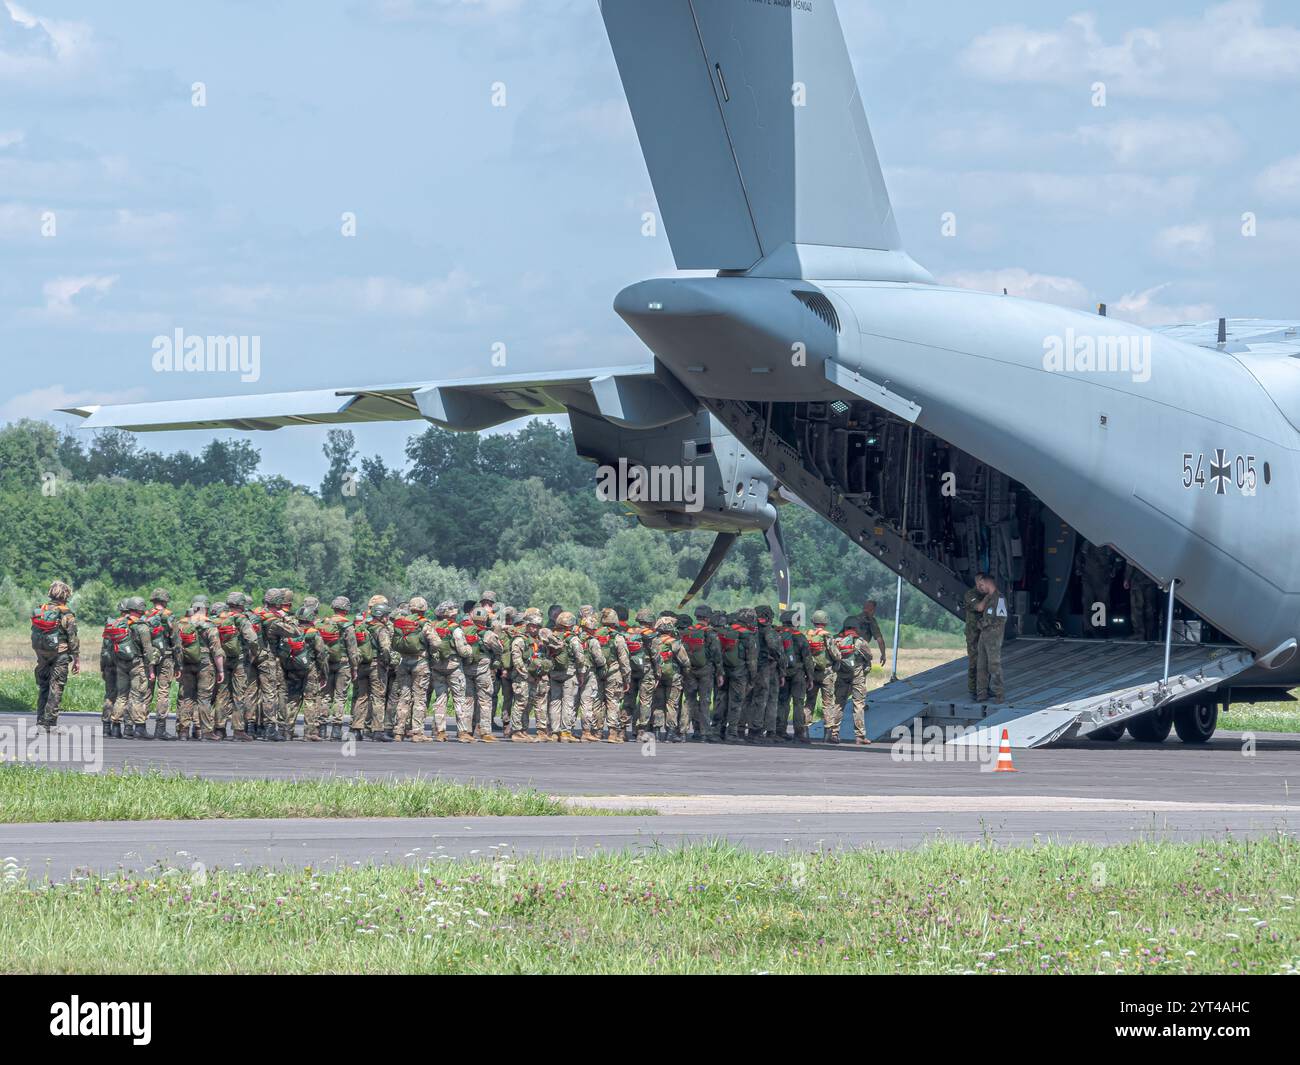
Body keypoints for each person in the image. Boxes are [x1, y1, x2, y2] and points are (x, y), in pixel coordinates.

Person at [31, 580, 79, 731]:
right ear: (65, 595)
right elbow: (73, 638)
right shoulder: (67, 614)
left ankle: (40, 721)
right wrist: (76, 659)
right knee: (56, 687)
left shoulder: (41, 610)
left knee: (44, 686)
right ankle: (50, 724)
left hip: (42, 654)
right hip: (60, 654)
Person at [177, 602, 225, 741]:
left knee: (187, 697)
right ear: (205, 610)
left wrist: (178, 666)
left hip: (187, 664)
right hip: (205, 665)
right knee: (204, 698)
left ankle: (183, 732)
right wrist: (221, 670)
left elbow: (177, 647)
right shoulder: (209, 626)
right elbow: (217, 650)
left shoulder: (183, 625)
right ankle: (206, 732)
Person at [107, 597, 153, 739]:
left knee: (121, 696)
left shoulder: (119, 623)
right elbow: (148, 650)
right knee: (136, 695)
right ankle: (139, 727)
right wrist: (151, 668)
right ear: (141, 608)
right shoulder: (142, 626)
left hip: (121, 664)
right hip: (136, 664)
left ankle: (115, 727)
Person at [427, 600, 471, 741]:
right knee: (459, 699)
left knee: (440, 700)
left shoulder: (432, 627)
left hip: (436, 667)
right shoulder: (455, 629)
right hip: (454, 668)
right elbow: (463, 651)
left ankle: (440, 732)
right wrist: (469, 650)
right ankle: (463, 732)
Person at [391, 597, 434, 742]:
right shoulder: (424, 623)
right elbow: (436, 642)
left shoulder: (401, 622)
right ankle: (417, 733)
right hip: (420, 662)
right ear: (424, 609)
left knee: (403, 697)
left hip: (403, 663)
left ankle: (398, 731)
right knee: (419, 698)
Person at [317, 596, 359, 741]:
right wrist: (355, 668)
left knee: (325, 696)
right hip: (343, 663)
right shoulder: (347, 626)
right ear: (346, 609)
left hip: (326, 664)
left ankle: (321, 729)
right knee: (340, 697)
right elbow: (352, 649)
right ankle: (336, 730)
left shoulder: (323, 623)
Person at [143, 589, 180, 739]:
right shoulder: (169, 616)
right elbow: (176, 642)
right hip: (166, 657)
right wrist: (179, 664)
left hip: (148, 658)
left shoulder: (145, 616)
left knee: (146, 691)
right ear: (165, 601)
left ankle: (139, 726)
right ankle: (160, 728)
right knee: (163, 692)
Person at [830, 615, 872, 746]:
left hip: (842, 675)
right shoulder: (860, 641)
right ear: (856, 627)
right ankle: (860, 736)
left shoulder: (836, 640)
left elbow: (833, 657)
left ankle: (834, 733)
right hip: (857, 676)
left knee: (838, 703)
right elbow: (869, 656)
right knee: (858, 705)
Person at [682, 606, 721, 742]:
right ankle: (705, 733)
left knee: (689, 701)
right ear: (708, 618)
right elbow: (717, 654)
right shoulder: (710, 633)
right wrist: (720, 673)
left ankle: (684, 731)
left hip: (689, 671)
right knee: (705, 701)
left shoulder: (687, 632)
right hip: (706, 671)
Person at [462, 606, 501, 742]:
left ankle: (465, 731)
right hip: (483, 670)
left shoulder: (463, 631)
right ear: (485, 620)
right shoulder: (488, 634)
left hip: (466, 669)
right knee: (485, 700)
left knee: (467, 700)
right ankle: (485, 732)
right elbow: (498, 648)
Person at [595, 607, 630, 742]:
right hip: (614, 673)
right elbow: (624, 660)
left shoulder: (595, 635)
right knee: (613, 702)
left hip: (598, 673)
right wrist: (627, 678)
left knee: (597, 702)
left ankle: (597, 732)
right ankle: (612, 733)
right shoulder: (618, 637)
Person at [803, 610, 836, 741]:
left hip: (811, 673)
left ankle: (804, 732)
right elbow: (835, 654)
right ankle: (827, 734)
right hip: (826, 674)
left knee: (809, 702)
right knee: (828, 703)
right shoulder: (827, 636)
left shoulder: (808, 635)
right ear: (825, 621)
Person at [975, 575, 1008, 703]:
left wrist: (984, 623)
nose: (979, 588)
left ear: (985, 582)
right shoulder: (988, 598)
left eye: (980, 585)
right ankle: (982, 693)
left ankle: (999, 694)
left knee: (994, 665)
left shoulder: (999, 599)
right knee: (981, 665)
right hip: (984, 636)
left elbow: (1002, 619)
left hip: (993, 637)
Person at [1075, 540, 1118, 638]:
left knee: (1102, 605)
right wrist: (1078, 569)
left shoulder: (1107, 545)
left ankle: (1101, 629)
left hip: (1103, 578)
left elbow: (1115, 559)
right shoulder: (1087, 543)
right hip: (1089, 578)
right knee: (1088, 603)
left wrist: (1113, 570)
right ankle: (1089, 629)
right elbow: (1079, 557)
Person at [961, 578, 986, 700]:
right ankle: (973, 690)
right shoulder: (970, 594)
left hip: (985, 632)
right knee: (974, 662)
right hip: (973, 634)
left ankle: (984, 688)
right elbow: (979, 607)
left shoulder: (986, 594)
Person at [1124, 562, 1158, 641]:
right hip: (1151, 578)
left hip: (1137, 580)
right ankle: (1150, 635)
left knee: (1137, 609)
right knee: (1150, 609)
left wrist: (1127, 578)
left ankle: (1139, 633)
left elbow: (1130, 561)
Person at [859, 600, 888, 670]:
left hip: (845, 650)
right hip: (859, 650)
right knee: (865, 668)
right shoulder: (871, 621)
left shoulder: (853, 619)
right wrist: (883, 655)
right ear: (873, 610)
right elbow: (880, 640)